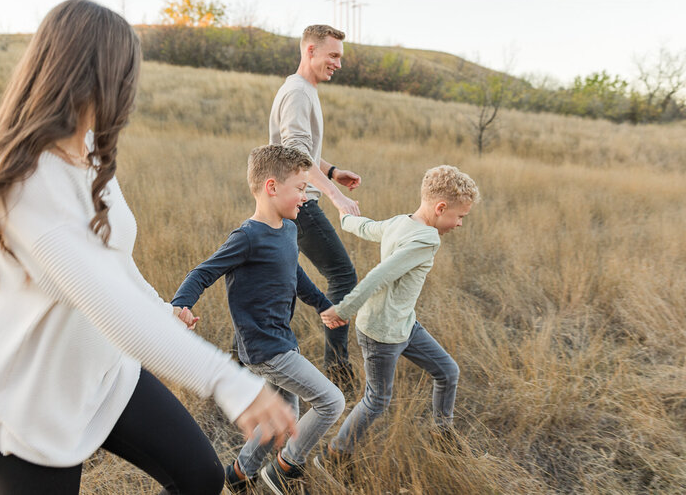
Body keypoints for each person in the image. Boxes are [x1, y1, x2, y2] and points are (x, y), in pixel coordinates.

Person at [0, 0, 296, 495]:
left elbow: (112, 264)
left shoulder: (89, 152)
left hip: (103, 373)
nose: (131, 89)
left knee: (201, 477)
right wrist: (230, 382)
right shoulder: (26, 183)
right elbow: (106, 303)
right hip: (31, 404)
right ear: (95, 74)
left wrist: (160, 310)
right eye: (126, 74)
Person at [172, 145, 346, 495]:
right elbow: (203, 272)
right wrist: (181, 305)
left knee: (282, 413)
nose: (305, 196)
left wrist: (324, 304)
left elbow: (296, 276)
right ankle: (284, 468)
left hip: (282, 339)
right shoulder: (248, 237)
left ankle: (239, 474)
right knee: (332, 401)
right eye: (300, 188)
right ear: (271, 187)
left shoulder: (287, 230)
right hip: (265, 347)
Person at [315, 165, 480, 476]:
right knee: (376, 401)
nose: (459, 224)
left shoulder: (399, 223)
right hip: (381, 333)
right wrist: (344, 309)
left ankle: (442, 434)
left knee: (447, 371)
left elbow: (362, 227)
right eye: (460, 217)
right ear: (440, 207)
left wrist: (345, 213)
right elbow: (380, 275)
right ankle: (334, 456)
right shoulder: (427, 239)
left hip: (405, 325)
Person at [269, 24, 361, 389]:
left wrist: (333, 172)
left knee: (277, 282)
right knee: (343, 275)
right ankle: (338, 371)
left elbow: (304, 153)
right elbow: (294, 155)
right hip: (298, 203)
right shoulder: (298, 93)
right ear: (310, 50)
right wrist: (336, 198)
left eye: (340, 57)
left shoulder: (303, 90)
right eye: (333, 55)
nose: (338, 63)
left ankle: (242, 360)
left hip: (286, 199)